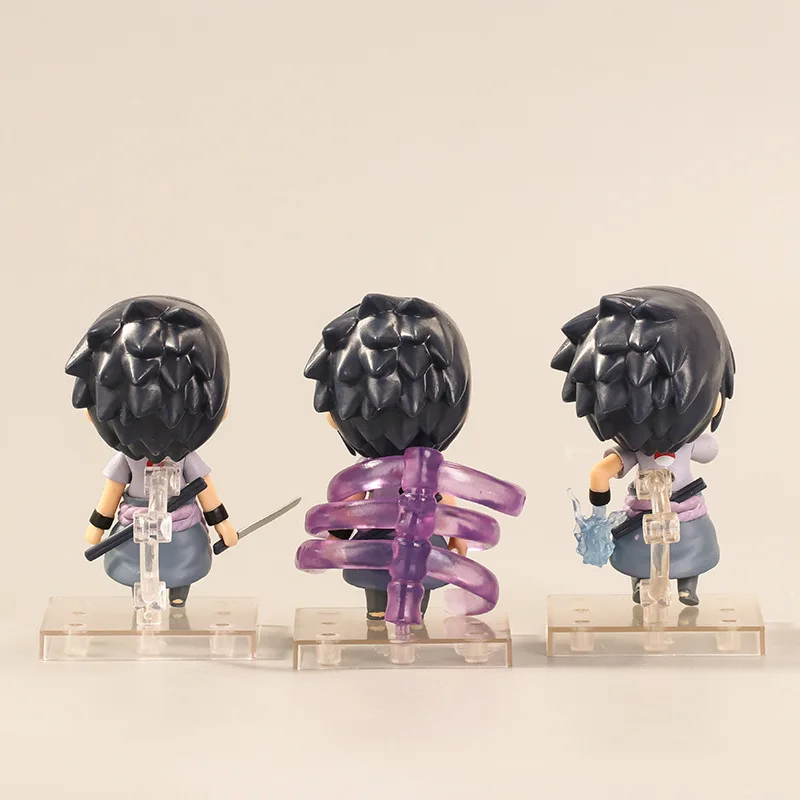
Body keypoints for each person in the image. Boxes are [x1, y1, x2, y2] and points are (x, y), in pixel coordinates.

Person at [551, 286, 735, 605]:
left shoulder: (687, 443)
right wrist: (598, 512)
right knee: (641, 555)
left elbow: (710, 451)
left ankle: (687, 585)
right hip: (643, 516)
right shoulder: (636, 449)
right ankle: (640, 583)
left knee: (692, 547)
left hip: (685, 513)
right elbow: (604, 470)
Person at [65, 296, 238, 606]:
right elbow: (111, 493)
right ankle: (143, 597)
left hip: (180, 526)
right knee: (135, 571)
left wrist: (222, 523)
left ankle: (178, 596)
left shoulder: (185, 458)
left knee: (182, 566)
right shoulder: (127, 460)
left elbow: (206, 492)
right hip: (134, 526)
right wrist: (98, 524)